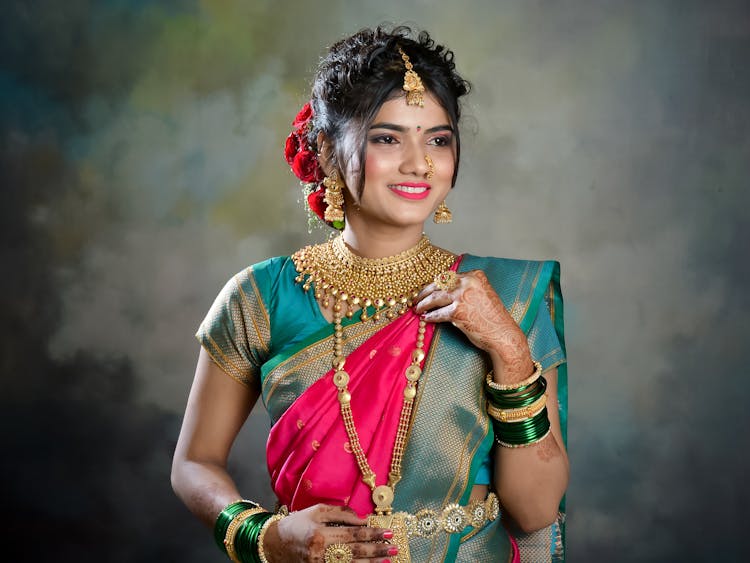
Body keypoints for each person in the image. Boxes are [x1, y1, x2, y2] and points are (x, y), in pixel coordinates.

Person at [172, 25, 569, 563]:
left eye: (438, 139)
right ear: (328, 153)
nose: (419, 163)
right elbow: (194, 463)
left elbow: (537, 511)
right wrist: (264, 536)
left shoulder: (503, 298)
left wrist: (509, 350)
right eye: (387, 138)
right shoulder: (260, 297)